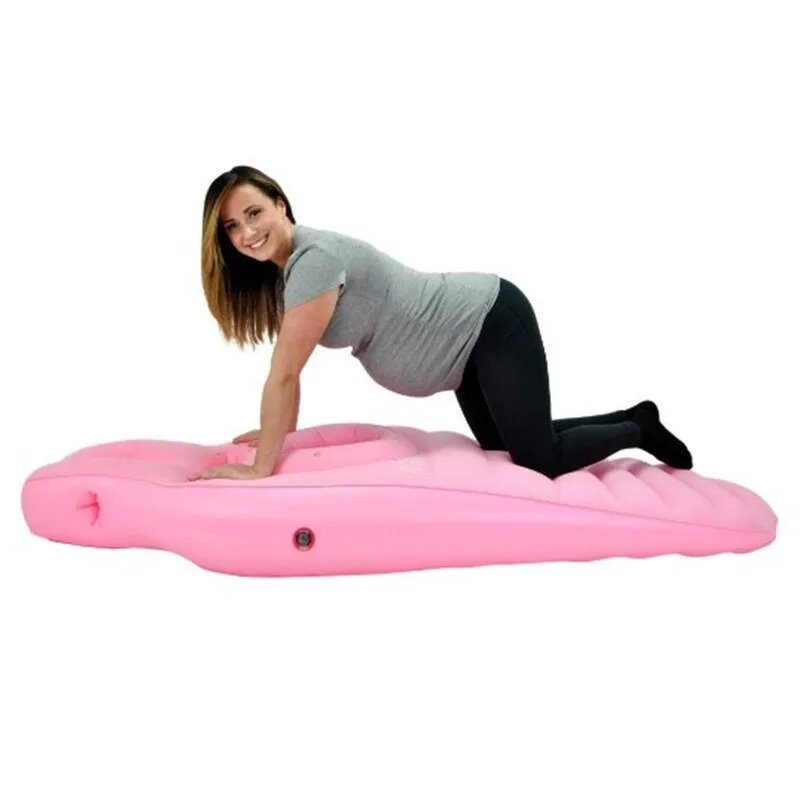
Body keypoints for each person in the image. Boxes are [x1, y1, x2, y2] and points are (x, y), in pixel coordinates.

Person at [192, 164, 692, 481]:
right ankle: (635, 415)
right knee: (500, 443)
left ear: (280, 204)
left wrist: (261, 468)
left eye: (254, 212)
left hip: (487, 321)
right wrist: (278, 432)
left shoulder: (314, 260)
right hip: (464, 348)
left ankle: (637, 429)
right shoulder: (295, 270)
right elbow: (291, 365)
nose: (247, 232)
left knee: (538, 459)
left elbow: (284, 372)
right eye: (233, 227)